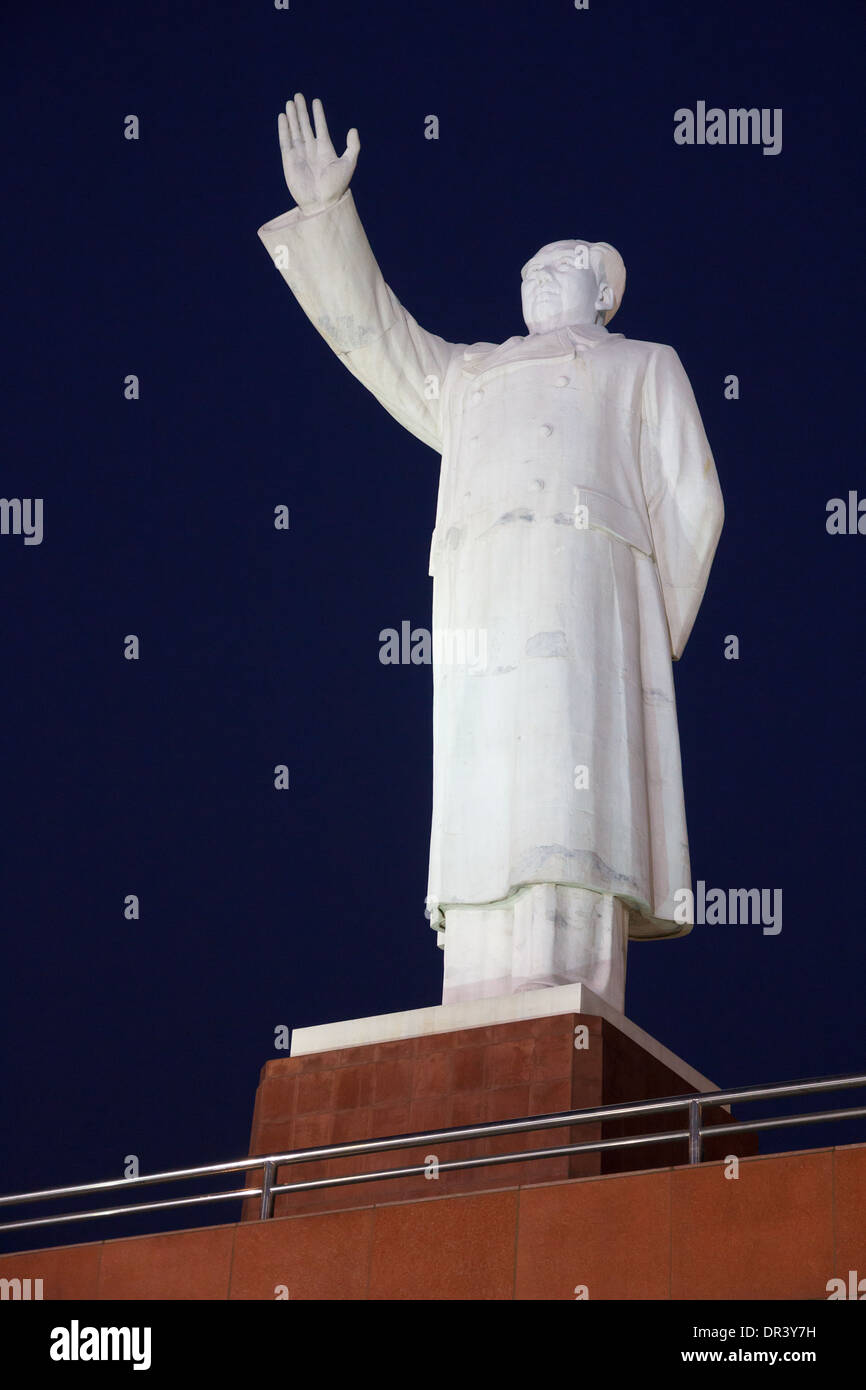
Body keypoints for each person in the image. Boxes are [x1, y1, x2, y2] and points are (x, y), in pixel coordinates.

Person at [258, 94, 724, 1011]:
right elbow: (378, 341)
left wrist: (642, 633)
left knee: (574, 800)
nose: (543, 279)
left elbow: (696, 501)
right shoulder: (468, 378)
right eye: (533, 271)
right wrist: (325, 218)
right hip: (483, 609)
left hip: (592, 600)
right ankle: (475, 996)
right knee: (487, 797)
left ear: (607, 293)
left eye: (567, 268)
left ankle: (571, 998)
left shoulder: (643, 365)